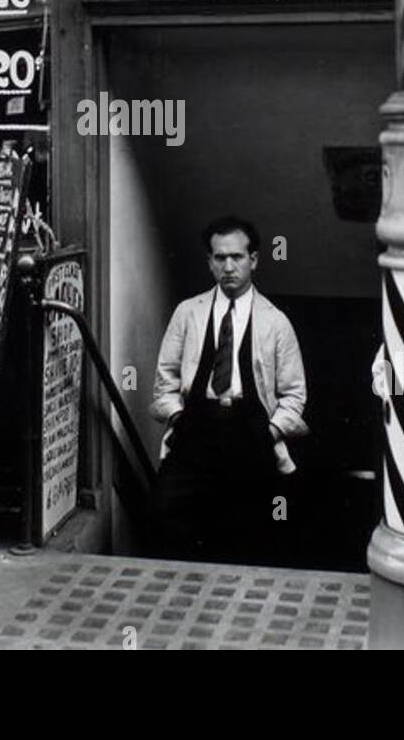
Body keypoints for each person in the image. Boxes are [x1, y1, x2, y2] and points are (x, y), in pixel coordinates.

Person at [150, 215, 308, 563]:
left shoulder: (276, 321)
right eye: (220, 258)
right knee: (173, 519)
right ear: (209, 262)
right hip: (195, 429)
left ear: (254, 260)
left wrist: (269, 432)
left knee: (249, 532)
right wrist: (179, 417)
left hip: (251, 431)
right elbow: (164, 381)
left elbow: (294, 395)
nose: (228, 267)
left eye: (237, 257)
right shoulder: (187, 313)